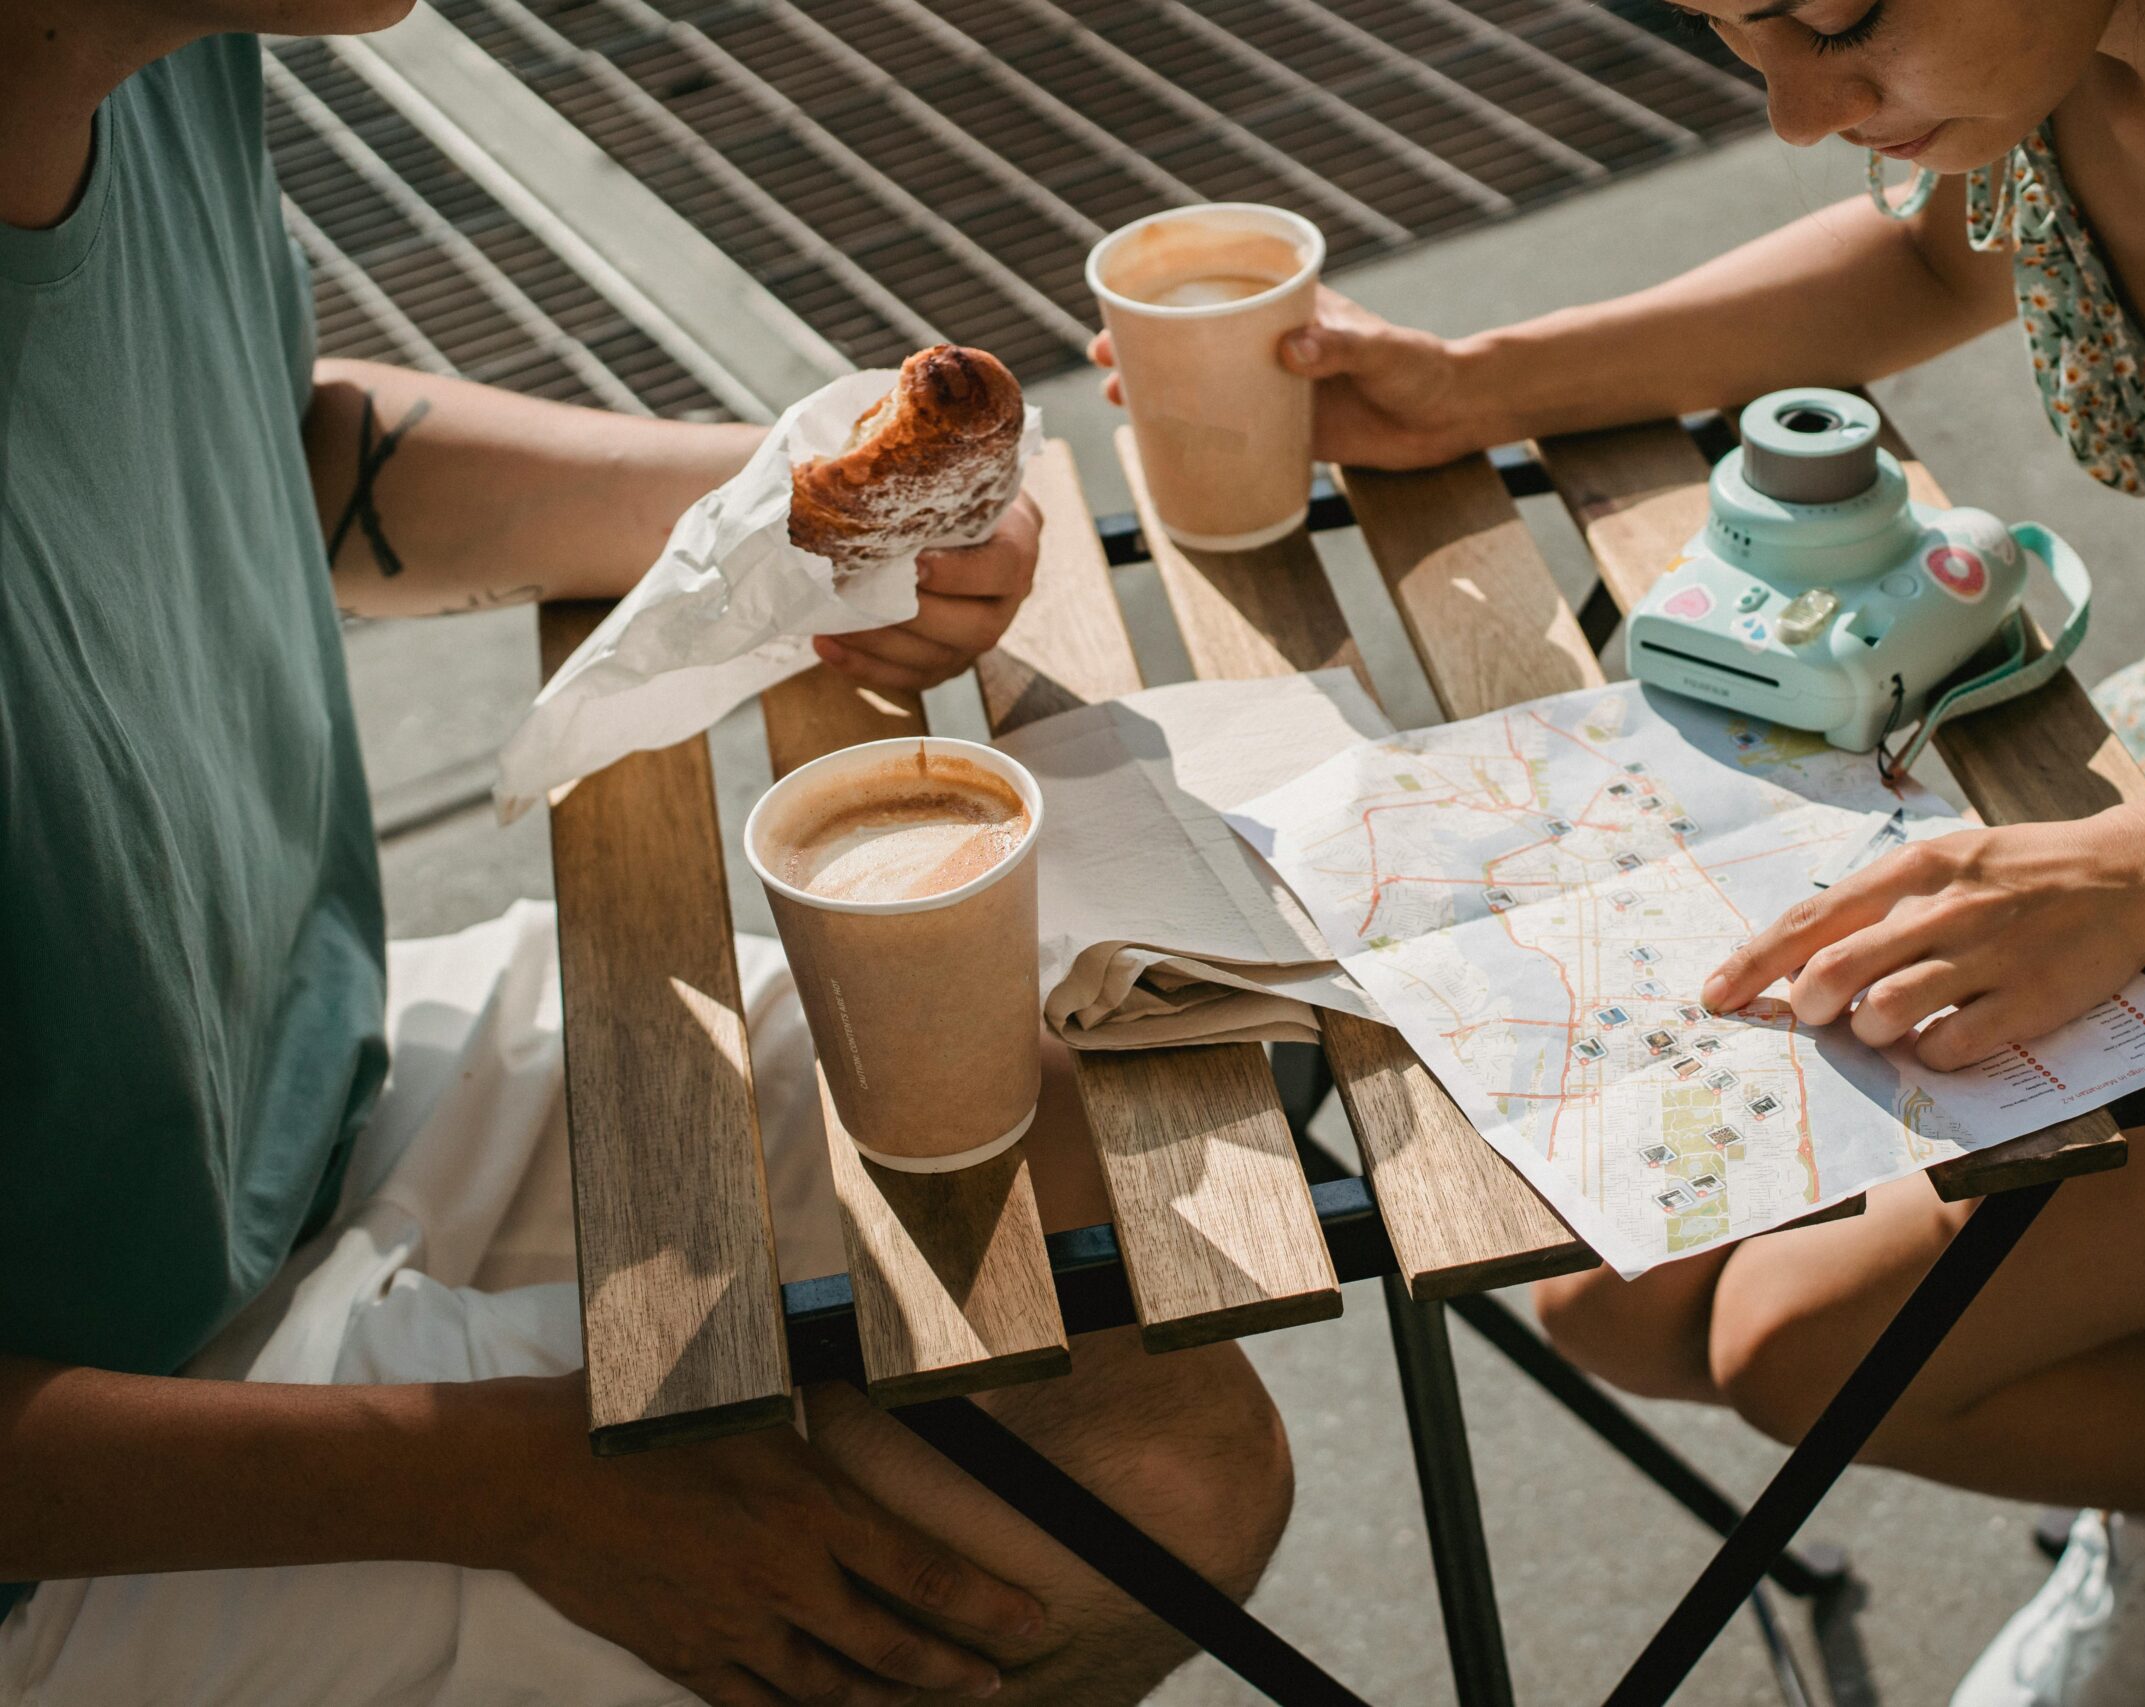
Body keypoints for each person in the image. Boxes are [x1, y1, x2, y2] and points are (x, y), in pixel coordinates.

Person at [1092, 0, 2145, 1700]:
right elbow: (1938, 269)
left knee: (1810, 1347)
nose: (1795, 110)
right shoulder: (2083, 48)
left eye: (1843, 17)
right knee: (1617, 1292)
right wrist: (1473, 386)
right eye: (1733, 28)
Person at [0, 4, 1291, 1704]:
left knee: (1082, 1152)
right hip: (93, 1488)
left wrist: (776, 521)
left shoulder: (162, 56)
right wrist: (500, 1475)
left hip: (317, 1084)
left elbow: (256, 427)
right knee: (1137, 1490)